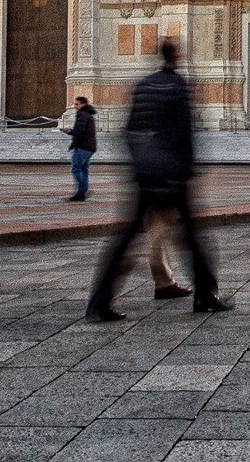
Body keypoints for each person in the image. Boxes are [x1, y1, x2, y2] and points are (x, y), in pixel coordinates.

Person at [86, 38, 228, 321]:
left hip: (145, 173)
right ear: (175, 56)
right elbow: (184, 134)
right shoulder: (177, 87)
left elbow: (128, 130)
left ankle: (100, 300)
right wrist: (187, 171)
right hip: (171, 173)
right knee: (192, 237)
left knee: (126, 238)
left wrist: (139, 165)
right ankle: (205, 295)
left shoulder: (143, 85)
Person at [68, 96, 97, 202]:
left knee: (76, 169)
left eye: (77, 104)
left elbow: (80, 130)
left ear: (83, 104)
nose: (75, 106)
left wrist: (71, 132)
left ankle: (83, 190)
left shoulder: (82, 115)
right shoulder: (88, 115)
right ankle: (81, 193)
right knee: (83, 170)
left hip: (82, 146)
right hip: (89, 147)